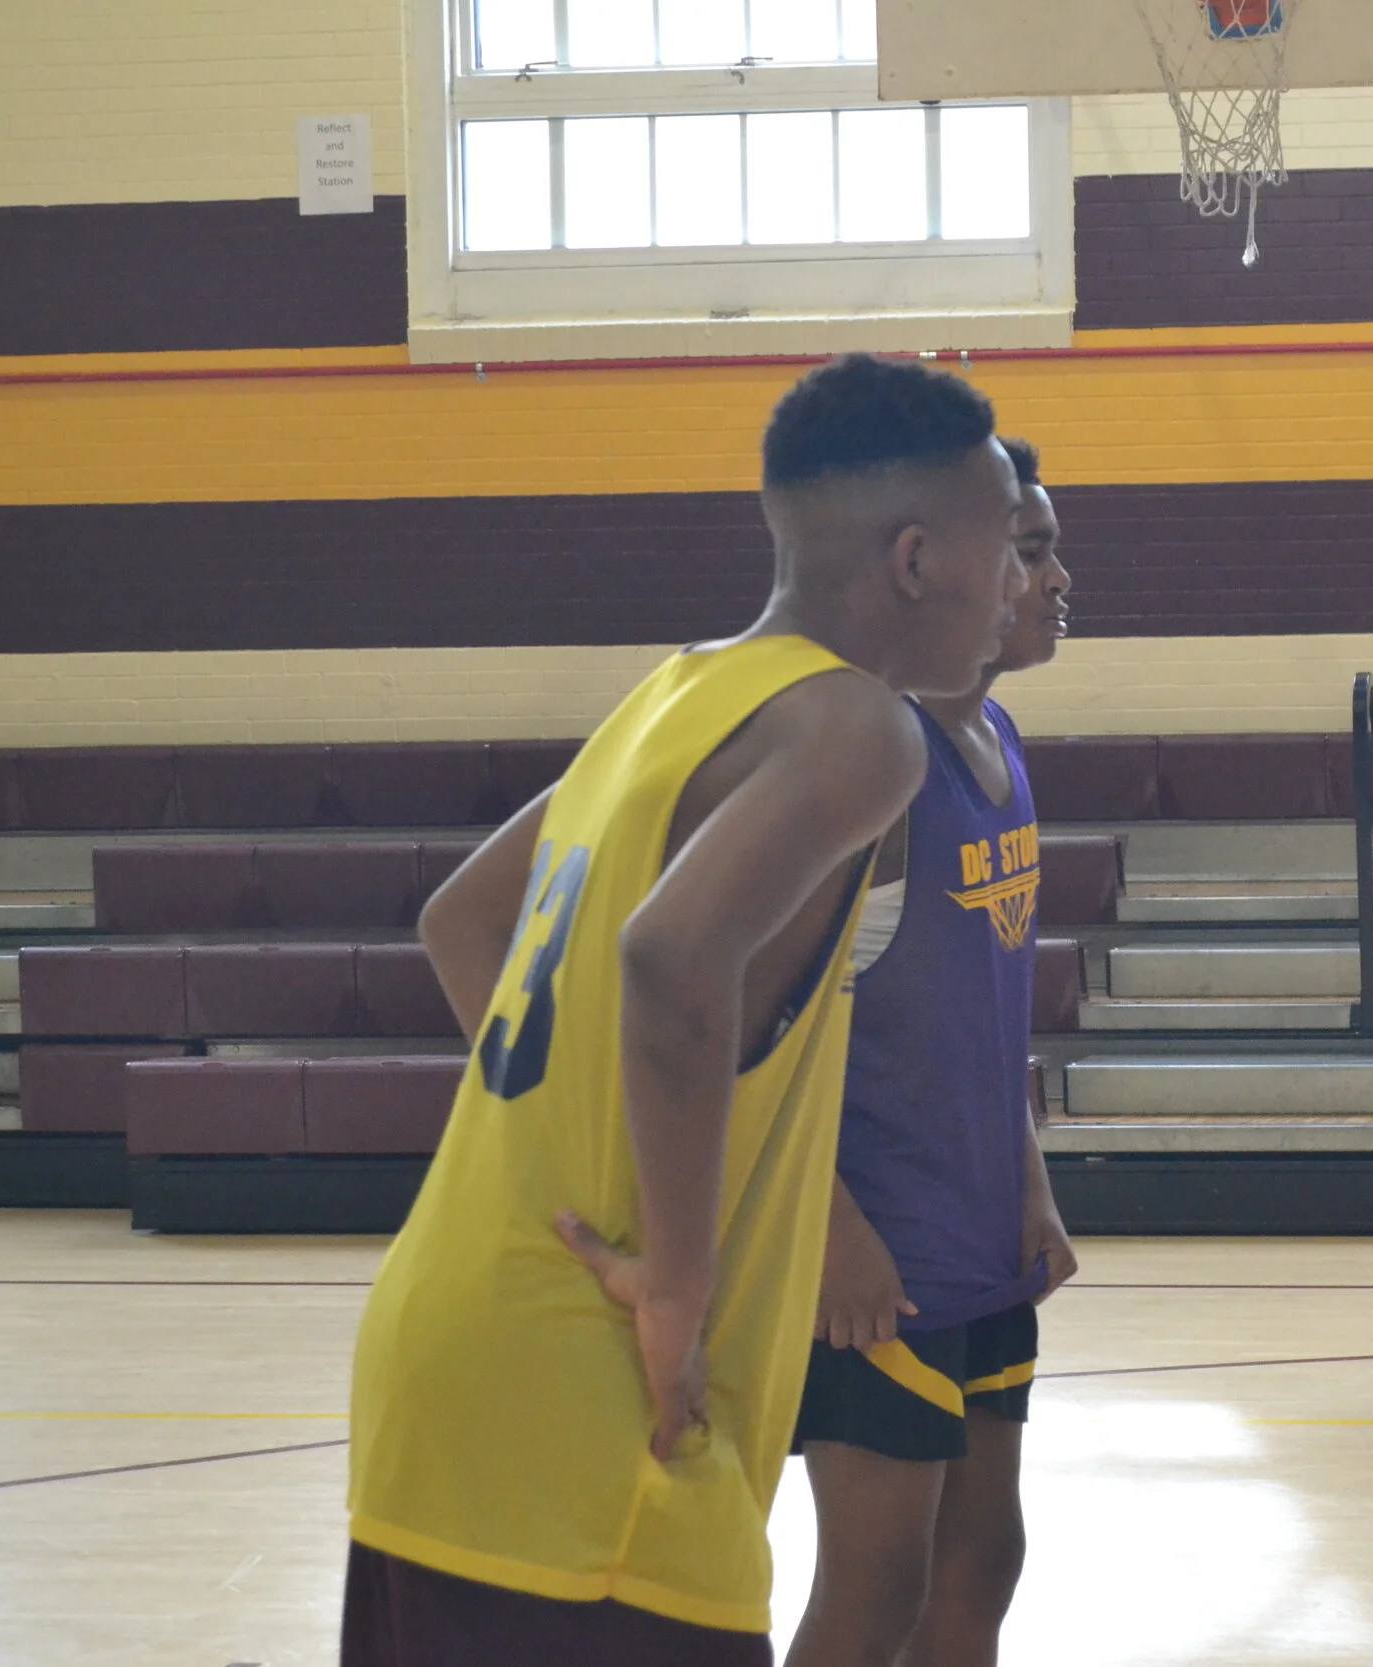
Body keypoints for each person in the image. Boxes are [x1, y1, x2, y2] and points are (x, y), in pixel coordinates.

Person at [340, 354, 1030, 1667]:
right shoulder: (859, 728)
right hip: (589, 1397)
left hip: (453, 1341)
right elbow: (671, 956)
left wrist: (574, 1135)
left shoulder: (675, 693)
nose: (1015, 581)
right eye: (1006, 542)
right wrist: (674, 1280)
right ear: (916, 557)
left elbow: (463, 921)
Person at [785, 437, 1077, 1667]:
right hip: (875, 1246)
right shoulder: (871, 765)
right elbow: (771, 1032)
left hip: (976, 1226)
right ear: (929, 565)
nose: (1056, 578)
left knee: (983, 1555)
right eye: (1030, 549)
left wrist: (1029, 1179)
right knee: (874, 1589)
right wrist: (831, 1224)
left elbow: (985, 1003)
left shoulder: (995, 739)